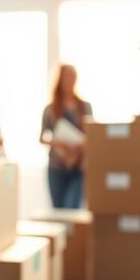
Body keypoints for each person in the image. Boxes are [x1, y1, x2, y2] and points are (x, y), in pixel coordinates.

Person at [41, 64, 92, 208]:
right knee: (59, 210)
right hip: (57, 167)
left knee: (72, 207)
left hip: (78, 166)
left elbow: (92, 135)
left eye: (73, 77)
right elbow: (42, 137)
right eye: (67, 77)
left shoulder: (84, 106)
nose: (70, 81)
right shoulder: (50, 109)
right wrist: (58, 144)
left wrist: (80, 146)